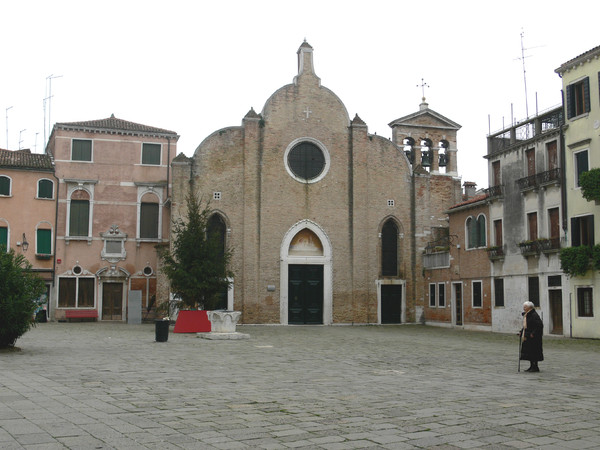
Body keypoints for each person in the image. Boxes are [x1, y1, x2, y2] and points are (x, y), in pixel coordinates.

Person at [520, 301, 544, 372]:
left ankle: (535, 366)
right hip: (527, 336)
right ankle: (531, 366)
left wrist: (533, 333)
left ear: (530, 307)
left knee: (534, 351)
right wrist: (521, 332)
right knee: (529, 352)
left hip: (534, 338)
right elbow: (526, 326)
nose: (524, 308)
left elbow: (539, 325)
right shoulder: (527, 315)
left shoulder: (534, 315)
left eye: (525, 307)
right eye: (524, 307)